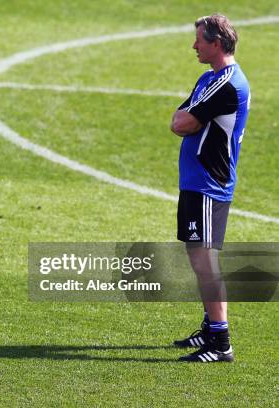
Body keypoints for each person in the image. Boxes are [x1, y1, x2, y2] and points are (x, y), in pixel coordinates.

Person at [169, 14, 250, 363]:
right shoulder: (209, 78)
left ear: (216, 43)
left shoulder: (227, 84)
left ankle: (221, 342)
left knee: (205, 262)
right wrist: (185, 120)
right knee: (197, 256)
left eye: (199, 40)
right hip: (197, 181)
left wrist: (186, 120)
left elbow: (182, 122)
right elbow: (179, 119)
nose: (194, 45)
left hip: (208, 183)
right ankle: (210, 326)